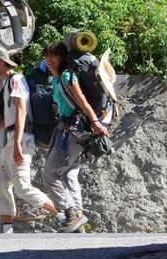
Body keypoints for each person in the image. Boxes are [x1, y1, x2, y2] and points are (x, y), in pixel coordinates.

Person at [0, 46, 78, 233]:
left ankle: (66, 215)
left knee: (24, 188)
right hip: (10, 142)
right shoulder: (7, 83)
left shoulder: (16, 80)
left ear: (1, 62)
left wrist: (17, 143)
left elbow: (21, 110)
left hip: (21, 141)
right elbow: (5, 122)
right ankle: (7, 232)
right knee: (0, 185)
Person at [42, 41, 110, 233]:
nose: (49, 59)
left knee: (50, 173)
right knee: (69, 174)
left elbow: (83, 102)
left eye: (54, 55)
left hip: (73, 131)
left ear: (63, 57)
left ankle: (71, 213)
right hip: (66, 130)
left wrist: (96, 123)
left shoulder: (67, 76)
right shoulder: (55, 79)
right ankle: (77, 221)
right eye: (46, 55)